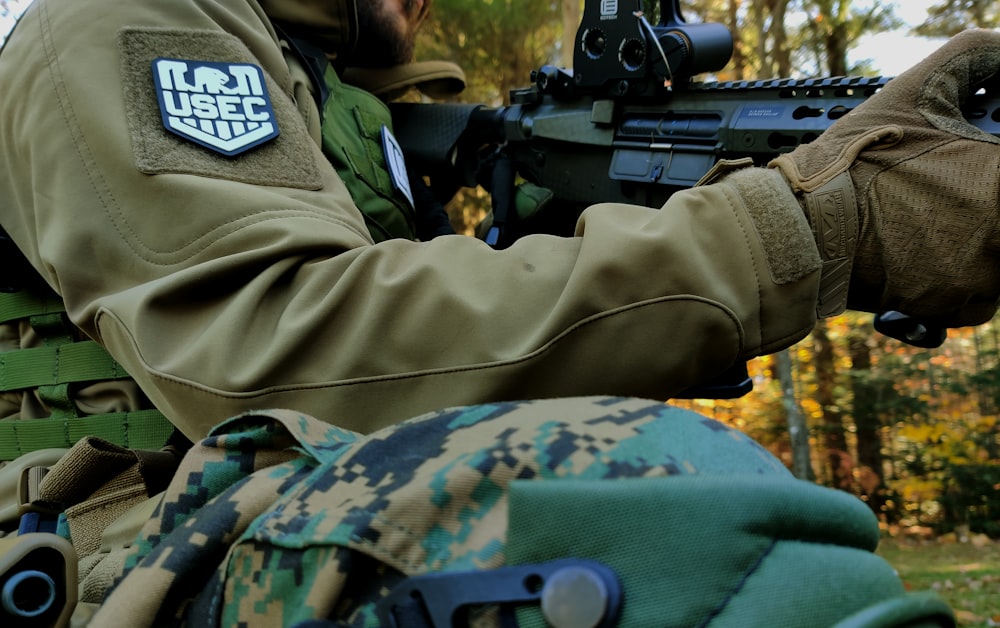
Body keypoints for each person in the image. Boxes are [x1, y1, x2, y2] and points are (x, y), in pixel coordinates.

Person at [0, 0, 997, 625]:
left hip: (271, 510)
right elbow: (274, 352)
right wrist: (807, 225)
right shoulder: (127, 15)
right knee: (662, 511)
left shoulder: (346, 96)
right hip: (86, 537)